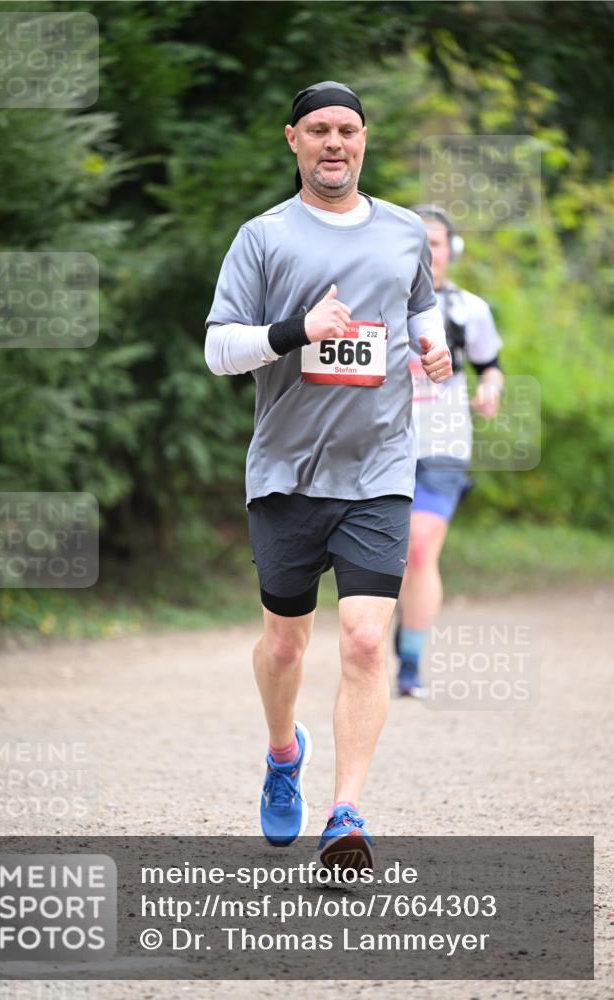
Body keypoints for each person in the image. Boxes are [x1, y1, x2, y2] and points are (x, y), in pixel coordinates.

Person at [204, 81, 452, 872]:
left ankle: (345, 814)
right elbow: (218, 350)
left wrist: (433, 347)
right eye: (318, 130)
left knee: (365, 639)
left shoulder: (403, 230)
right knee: (284, 647)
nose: (333, 143)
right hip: (286, 473)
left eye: (346, 129)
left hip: (378, 469)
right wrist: (295, 331)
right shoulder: (263, 237)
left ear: (363, 139)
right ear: (293, 140)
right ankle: (284, 753)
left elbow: (421, 306)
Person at [394, 206, 504, 697]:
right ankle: (389, 631)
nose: (426, 252)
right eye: (417, 242)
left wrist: (491, 388)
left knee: (420, 549)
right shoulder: (379, 302)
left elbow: (490, 364)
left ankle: (410, 663)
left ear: (450, 251)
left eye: (435, 243)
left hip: (444, 445)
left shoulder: (469, 310)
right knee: (391, 556)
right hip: (383, 445)